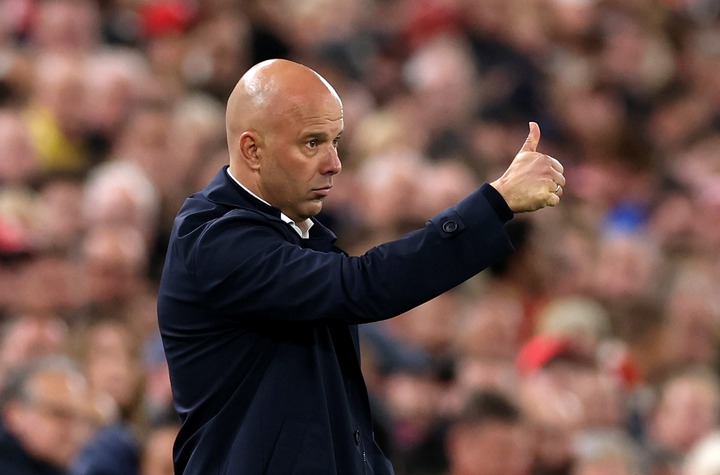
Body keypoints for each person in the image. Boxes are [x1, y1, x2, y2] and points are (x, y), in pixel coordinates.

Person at [157, 58, 565, 474]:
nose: (334, 162)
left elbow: (327, 414)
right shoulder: (214, 240)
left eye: (336, 141)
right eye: (312, 143)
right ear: (252, 149)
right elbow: (361, 287)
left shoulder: (295, 233)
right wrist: (493, 204)